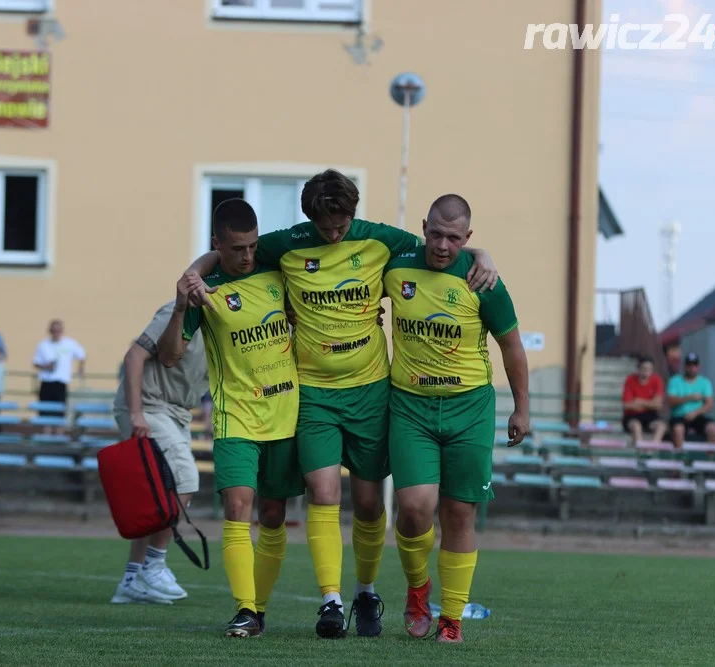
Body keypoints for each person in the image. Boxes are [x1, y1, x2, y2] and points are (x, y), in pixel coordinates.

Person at [184, 169, 498, 638]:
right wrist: (196, 268)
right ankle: (330, 600)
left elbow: (437, 245)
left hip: (371, 391)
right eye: (325, 225)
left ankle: (366, 591)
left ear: (353, 212)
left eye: (341, 223)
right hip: (312, 394)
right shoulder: (288, 243)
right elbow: (236, 250)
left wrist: (481, 252)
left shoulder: (378, 239)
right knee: (323, 492)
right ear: (309, 217)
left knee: (370, 504)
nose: (333, 233)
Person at [384, 195, 528, 643]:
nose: (442, 245)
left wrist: (522, 407)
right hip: (410, 406)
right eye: (435, 234)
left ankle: (451, 619)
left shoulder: (483, 280)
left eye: (453, 238)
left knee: (459, 514)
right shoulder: (394, 264)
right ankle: (417, 590)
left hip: (469, 409)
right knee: (413, 508)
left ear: (468, 238)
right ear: (423, 227)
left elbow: (512, 347)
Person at [159, 199, 304, 638]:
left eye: (253, 246)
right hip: (235, 415)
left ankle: (257, 608)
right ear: (217, 244)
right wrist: (182, 306)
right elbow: (169, 357)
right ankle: (244, 608)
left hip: (287, 413)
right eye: (238, 248)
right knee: (238, 507)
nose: (247, 256)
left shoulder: (278, 270)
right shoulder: (204, 291)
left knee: (274, 515)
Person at [109, 302, 209, 606]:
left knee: (151, 500)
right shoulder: (179, 311)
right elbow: (134, 356)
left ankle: (131, 579)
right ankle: (154, 563)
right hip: (149, 407)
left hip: (177, 412)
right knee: (185, 481)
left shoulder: (229, 319)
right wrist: (136, 413)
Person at [32, 319, 86, 421]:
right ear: (50, 331)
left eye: (58, 330)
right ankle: (46, 435)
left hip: (61, 382)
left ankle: (59, 435)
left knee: (59, 412)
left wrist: (80, 368)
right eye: (53, 330)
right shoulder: (43, 345)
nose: (56, 333)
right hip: (46, 381)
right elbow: (36, 362)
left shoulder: (69, 343)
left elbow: (82, 355)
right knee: (45, 412)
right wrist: (46, 367)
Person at [667, 352, 715, 447]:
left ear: (698, 367)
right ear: (685, 366)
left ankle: (711, 459)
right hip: (679, 416)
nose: (692, 368)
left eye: (694, 365)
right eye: (689, 365)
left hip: (697, 416)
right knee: (678, 430)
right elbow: (670, 402)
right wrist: (689, 398)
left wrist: (695, 413)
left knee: (712, 429)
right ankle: (680, 457)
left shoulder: (705, 382)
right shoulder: (675, 381)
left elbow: (710, 404)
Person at [621, 356, 666, 444]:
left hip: (650, 415)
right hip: (632, 416)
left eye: (649, 369)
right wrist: (650, 404)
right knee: (636, 426)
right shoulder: (630, 380)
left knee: (661, 426)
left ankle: (652, 450)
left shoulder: (657, 380)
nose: (647, 372)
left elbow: (658, 405)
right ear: (638, 368)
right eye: (644, 368)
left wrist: (639, 401)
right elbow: (627, 405)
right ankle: (640, 452)